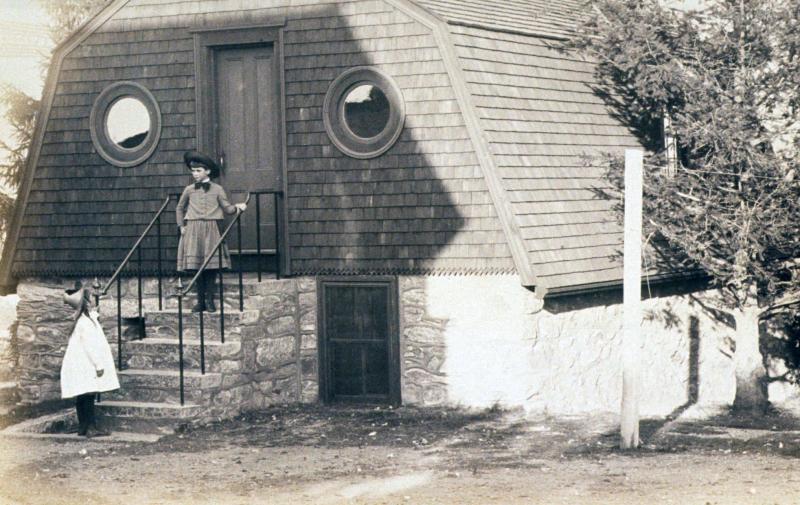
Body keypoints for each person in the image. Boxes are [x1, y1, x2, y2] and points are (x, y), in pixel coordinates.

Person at [176, 150, 247, 312]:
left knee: (210, 267)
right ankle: (200, 302)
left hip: (211, 230)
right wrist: (182, 226)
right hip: (193, 230)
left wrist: (238, 207)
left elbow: (228, 209)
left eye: (198, 170)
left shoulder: (217, 189)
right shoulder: (189, 190)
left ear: (207, 171)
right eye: (193, 171)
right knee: (197, 267)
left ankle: (209, 302)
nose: (195, 174)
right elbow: (179, 208)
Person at [61, 281, 120, 437]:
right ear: (85, 304)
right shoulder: (85, 324)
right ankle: (90, 427)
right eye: (90, 300)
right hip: (85, 364)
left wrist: (95, 312)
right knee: (88, 395)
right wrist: (98, 365)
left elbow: (93, 317)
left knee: (83, 395)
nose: (93, 302)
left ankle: (83, 427)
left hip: (81, 364)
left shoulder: (84, 320)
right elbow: (90, 346)